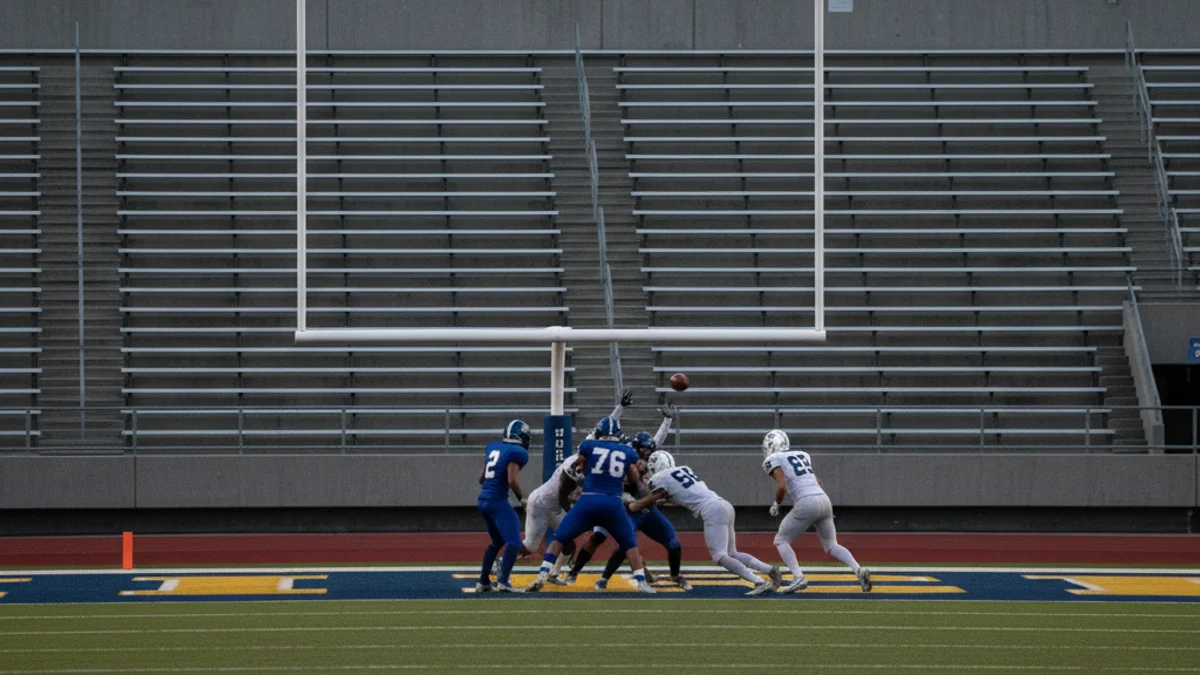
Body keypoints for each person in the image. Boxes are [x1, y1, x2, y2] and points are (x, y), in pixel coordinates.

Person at [525, 416, 655, 594]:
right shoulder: (626, 451)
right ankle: (641, 582)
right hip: (613, 502)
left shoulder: (589, 446)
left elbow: (579, 467)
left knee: (560, 536)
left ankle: (542, 574)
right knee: (629, 542)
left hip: (589, 500)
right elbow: (633, 477)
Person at [631, 450, 781, 596]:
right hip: (724, 504)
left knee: (719, 556)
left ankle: (759, 582)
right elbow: (680, 495)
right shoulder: (684, 469)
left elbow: (651, 498)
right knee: (732, 553)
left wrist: (633, 504)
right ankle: (770, 570)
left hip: (712, 511)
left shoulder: (658, 479)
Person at [566, 403, 677, 583]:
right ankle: (575, 569)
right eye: (642, 452)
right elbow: (600, 432)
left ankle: (638, 570)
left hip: (624, 498)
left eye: (647, 453)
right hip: (610, 494)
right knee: (599, 536)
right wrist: (619, 409)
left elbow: (657, 441)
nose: (645, 458)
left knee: (628, 536)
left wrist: (667, 420)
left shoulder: (641, 454)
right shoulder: (624, 452)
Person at [762, 429, 872, 594]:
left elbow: (782, 485)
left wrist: (776, 504)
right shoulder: (802, 455)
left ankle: (798, 577)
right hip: (823, 499)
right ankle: (858, 570)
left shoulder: (773, 460)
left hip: (807, 502)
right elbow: (818, 481)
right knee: (832, 545)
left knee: (781, 540)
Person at [475, 420, 531, 593]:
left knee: (497, 542)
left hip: (483, 499)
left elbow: (481, 478)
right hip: (497, 501)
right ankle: (503, 581)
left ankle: (483, 582)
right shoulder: (517, 452)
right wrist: (522, 498)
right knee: (514, 542)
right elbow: (511, 479)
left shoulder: (493, 447)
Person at [519, 450, 584, 584]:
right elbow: (562, 497)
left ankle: (554, 573)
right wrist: (573, 516)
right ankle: (500, 561)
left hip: (555, 508)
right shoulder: (572, 467)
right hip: (541, 505)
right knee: (530, 546)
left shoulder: (584, 463)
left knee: (568, 543)